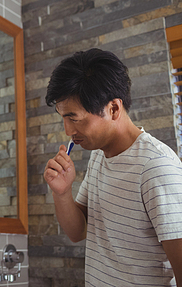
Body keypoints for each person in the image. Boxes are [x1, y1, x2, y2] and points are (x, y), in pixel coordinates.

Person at [44, 48, 182, 286]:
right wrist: (62, 192)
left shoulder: (156, 167)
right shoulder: (99, 154)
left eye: (74, 118)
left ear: (114, 109)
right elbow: (78, 233)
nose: (67, 130)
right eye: (63, 118)